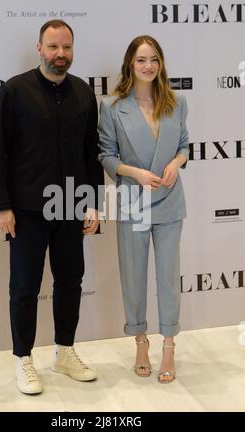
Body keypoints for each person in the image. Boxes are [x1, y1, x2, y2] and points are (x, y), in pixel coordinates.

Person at [0, 20, 104, 394]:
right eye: (53, 47)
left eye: (66, 47)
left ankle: (64, 352)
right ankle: (23, 359)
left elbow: (91, 155)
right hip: (26, 210)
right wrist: (0, 205)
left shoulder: (84, 93)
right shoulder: (15, 90)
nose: (60, 54)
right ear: (39, 48)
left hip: (71, 207)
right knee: (24, 286)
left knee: (70, 282)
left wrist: (94, 204)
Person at [98, 35, 189, 383]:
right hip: (132, 200)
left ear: (161, 63)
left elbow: (183, 144)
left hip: (169, 199)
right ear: (130, 65)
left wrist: (177, 163)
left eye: (153, 59)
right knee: (133, 276)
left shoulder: (176, 102)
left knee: (168, 277)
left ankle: (169, 346)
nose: (148, 66)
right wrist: (133, 172)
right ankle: (139, 340)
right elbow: (105, 154)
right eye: (141, 60)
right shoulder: (111, 106)